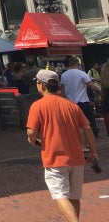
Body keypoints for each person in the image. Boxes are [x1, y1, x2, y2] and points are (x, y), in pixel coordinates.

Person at [27, 69, 99, 222]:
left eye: (37, 83)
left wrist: (32, 139)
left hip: (55, 158)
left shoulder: (37, 106)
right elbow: (87, 128)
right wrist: (93, 150)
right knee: (74, 197)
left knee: (60, 196)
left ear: (42, 85)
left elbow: (31, 132)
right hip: (76, 157)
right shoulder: (71, 105)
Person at [60, 56, 101, 138]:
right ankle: (91, 137)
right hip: (83, 102)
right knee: (88, 122)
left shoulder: (64, 75)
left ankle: (79, 139)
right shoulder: (82, 73)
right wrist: (100, 92)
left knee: (76, 124)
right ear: (77, 63)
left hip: (70, 104)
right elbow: (91, 86)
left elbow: (63, 91)